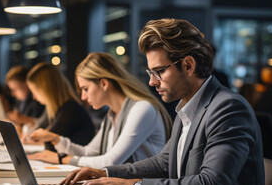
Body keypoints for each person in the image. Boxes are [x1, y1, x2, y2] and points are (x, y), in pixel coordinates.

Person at [60, 18, 270, 185]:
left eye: (159, 71)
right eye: (151, 73)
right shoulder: (187, 107)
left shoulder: (228, 108)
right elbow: (163, 163)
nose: (152, 82)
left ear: (188, 65)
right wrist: (105, 172)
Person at [27, 52, 173, 168]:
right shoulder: (113, 114)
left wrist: (62, 159)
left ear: (103, 83)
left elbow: (110, 162)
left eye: (86, 89)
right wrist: (56, 139)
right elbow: (88, 153)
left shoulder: (141, 109)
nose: (83, 97)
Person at [25, 62, 95, 146]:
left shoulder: (70, 109)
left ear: (46, 90)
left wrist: (30, 139)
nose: (34, 97)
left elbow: (50, 143)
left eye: (35, 92)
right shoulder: (57, 109)